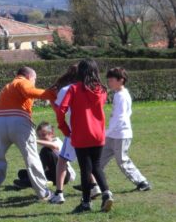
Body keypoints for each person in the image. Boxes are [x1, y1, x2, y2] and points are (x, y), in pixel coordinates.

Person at [0, 66, 57, 201]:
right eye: (35, 80)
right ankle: (44, 193)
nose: (34, 83)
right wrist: (52, 94)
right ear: (30, 77)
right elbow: (29, 90)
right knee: (31, 158)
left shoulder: (8, 87)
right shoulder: (22, 81)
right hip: (19, 122)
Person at [56, 59, 114, 212]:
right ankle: (106, 193)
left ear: (80, 72)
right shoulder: (102, 90)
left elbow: (61, 109)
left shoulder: (74, 89)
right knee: (96, 166)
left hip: (81, 134)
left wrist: (63, 127)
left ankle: (86, 203)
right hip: (98, 133)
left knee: (85, 169)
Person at [50, 65, 101, 204]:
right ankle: (96, 187)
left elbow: (60, 111)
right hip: (91, 130)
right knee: (86, 161)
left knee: (62, 161)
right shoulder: (91, 88)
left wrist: (50, 100)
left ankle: (59, 193)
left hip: (74, 131)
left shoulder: (67, 90)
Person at [100, 67, 151, 191]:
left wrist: (107, 131)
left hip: (121, 134)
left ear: (121, 80)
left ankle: (142, 182)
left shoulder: (122, 96)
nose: (109, 83)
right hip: (114, 134)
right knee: (99, 159)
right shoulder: (119, 94)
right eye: (108, 80)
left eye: (111, 80)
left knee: (122, 161)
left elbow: (121, 117)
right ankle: (91, 183)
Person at [13, 122, 75, 189]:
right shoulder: (45, 147)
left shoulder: (57, 141)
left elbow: (54, 146)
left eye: (44, 135)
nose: (41, 138)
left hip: (65, 176)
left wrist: (34, 140)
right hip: (53, 174)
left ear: (52, 133)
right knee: (22, 173)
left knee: (46, 151)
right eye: (39, 136)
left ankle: (31, 181)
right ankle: (36, 181)